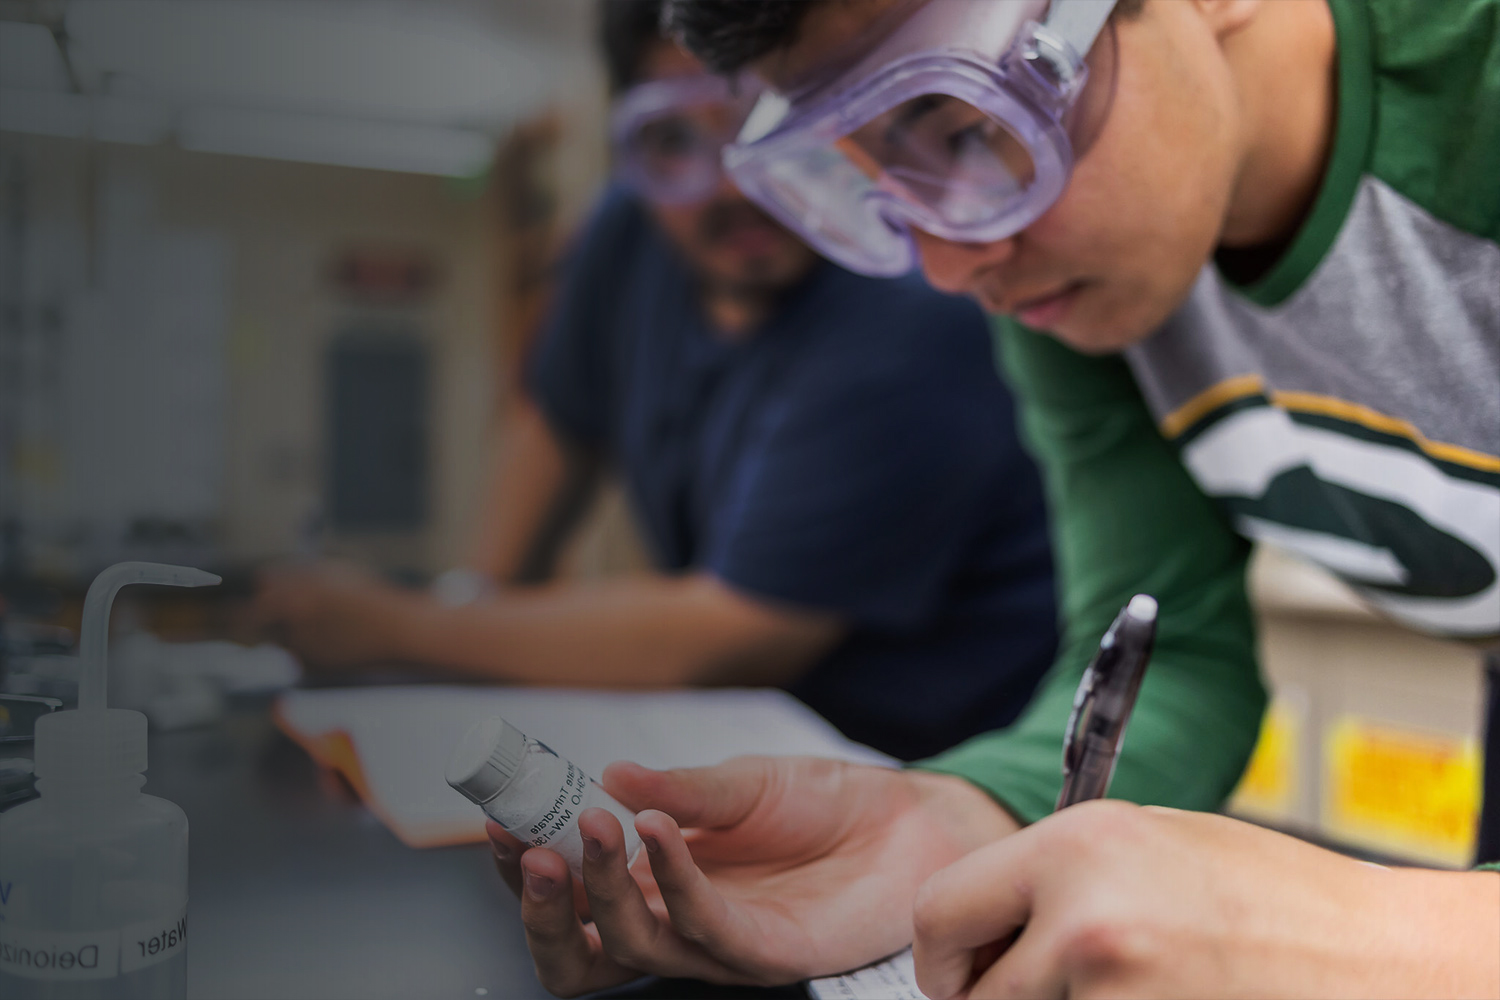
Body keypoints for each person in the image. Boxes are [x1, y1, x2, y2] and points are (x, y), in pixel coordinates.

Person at [485, 0, 1500, 996]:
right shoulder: (1079, 272)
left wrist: (1326, 929)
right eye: (871, 178)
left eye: (973, 128)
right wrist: (959, 816)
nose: (951, 261)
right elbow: (1171, 645)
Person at [253, 1, 1061, 762]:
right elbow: (554, 423)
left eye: (765, 127)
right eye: (673, 138)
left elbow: (734, 635)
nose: (733, 183)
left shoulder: (914, 298)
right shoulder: (627, 233)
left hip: (936, 773)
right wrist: (472, 607)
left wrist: (401, 628)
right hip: (767, 746)